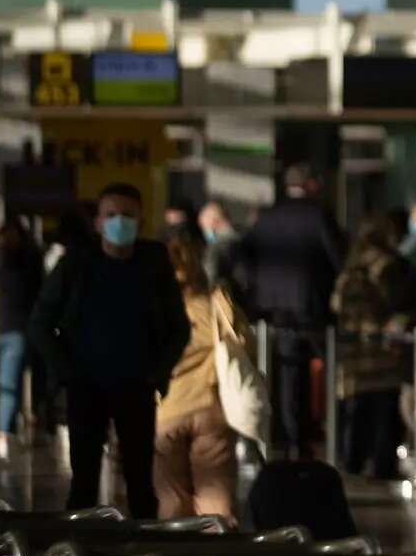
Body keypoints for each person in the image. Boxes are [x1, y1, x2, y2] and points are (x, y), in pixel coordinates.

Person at [29, 184, 187, 518]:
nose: (120, 222)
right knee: (83, 481)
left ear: (141, 220)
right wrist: (67, 373)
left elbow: (178, 327)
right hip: (87, 386)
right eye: (111, 215)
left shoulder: (153, 264)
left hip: (136, 386)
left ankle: (143, 554)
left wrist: (156, 374)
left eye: (128, 215)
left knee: (140, 482)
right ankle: (84, 553)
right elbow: (41, 323)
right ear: (98, 222)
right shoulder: (76, 265)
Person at [236, 165, 346, 461]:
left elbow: (243, 255)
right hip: (313, 308)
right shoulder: (319, 215)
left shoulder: (268, 217)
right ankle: (334, 440)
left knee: (288, 374)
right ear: (311, 184)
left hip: (275, 309)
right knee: (333, 370)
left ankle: (293, 438)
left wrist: (259, 287)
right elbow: (339, 260)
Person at [152, 230, 244, 519]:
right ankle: (217, 554)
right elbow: (245, 349)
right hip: (212, 408)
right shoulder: (217, 305)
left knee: (170, 497)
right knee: (216, 496)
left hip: (165, 412)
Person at [331, 213, 414, 480]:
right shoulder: (390, 266)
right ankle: (382, 464)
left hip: (353, 351)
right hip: (382, 350)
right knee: (384, 410)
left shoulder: (350, 266)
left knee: (357, 408)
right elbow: (397, 303)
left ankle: (351, 460)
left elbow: (336, 304)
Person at [0, 220, 43, 450]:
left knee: (6, 385)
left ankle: (3, 431)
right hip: (13, 330)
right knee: (8, 385)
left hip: (3, 330)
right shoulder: (30, 260)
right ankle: (3, 432)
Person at [197, 202, 243, 292]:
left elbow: (209, 279)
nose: (204, 232)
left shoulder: (215, 248)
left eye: (204, 227)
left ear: (215, 222)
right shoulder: (246, 236)